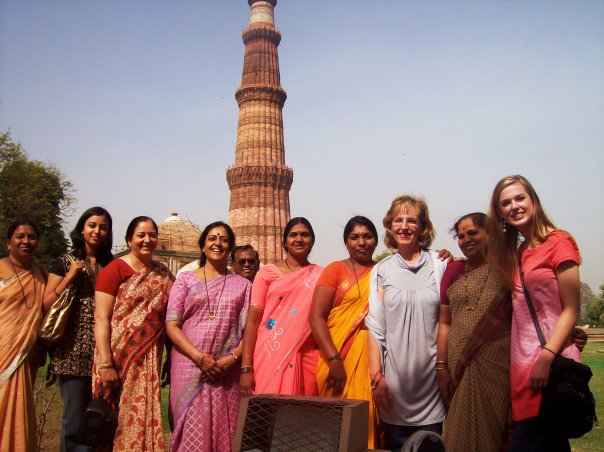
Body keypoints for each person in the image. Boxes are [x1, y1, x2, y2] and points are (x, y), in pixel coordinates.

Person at [487, 175, 581, 452]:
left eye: (520, 198)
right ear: (499, 213)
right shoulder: (519, 252)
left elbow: (571, 309)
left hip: (548, 366)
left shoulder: (558, 242)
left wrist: (546, 357)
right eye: (506, 203)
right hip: (523, 371)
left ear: (533, 200)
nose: (514, 206)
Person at [365, 195, 449, 451]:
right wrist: (376, 378)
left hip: (432, 384)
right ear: (390, 227)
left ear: (422, 227)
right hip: (395, 388)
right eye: (398, 220)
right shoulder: (381, 271)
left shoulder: (440, 264)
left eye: (411, 220)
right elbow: (375, 328)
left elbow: (450, 320)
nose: (404, 226)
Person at [166, 221, 251, 451]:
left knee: (226, 430)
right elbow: (172, 324)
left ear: (230, 247)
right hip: (189, 365)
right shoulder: (185, 280)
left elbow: (249, 332)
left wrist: (232, 359)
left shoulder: (243, 285)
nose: (217, 243)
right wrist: (199, 357)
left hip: (227, 371)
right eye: (212, 238)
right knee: (191, 430)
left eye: (224, 239)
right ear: (203, 245)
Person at [93, 216, 174, 451]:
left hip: (148, 360)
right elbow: (101, 318)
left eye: (152, 235)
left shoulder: (163, 274)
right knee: (113, 419)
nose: (147, 240)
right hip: (116, 357)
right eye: (141, 235)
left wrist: (170, 358)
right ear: (129, 240)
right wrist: (106, 364)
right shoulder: (114, 270)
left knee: (141, 416)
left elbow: (172, 316)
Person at [436, 212, 512, 451]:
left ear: (490, 234)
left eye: (472, 233)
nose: (466, 239)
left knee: (495, 432)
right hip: (459, 363)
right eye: (460, 236)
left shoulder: (507, 268)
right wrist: (441, 366)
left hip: (498, 364)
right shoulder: (453, 270)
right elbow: (445, 322)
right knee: (458, 432)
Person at [42, 207, 113, 452]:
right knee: (73, 420)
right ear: (82, 229)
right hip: (70, 351)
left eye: (103, 227)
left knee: (98, 418)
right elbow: (47, 303)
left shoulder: (111, 265)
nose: (97, 231)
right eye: (92, 225)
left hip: (102, 351)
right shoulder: (65, 262)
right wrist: (69, 277)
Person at [309, 215, 382, 449]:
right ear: (346, 242)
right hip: (336, 357)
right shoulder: (335, 269)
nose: (361, 242)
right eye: (354, 237)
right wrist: (334, 359)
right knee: (333, 427)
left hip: (372, 356)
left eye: (367, 236)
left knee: (367, 421)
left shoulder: (382, 271)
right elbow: (316, 317)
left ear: (376, 240)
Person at [240, 217, 322, 396]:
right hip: (270, 353)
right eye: (293, 235)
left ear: (312, 240)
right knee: (269, 408)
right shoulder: (266, 274)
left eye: (305, 235)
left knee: (305, 409)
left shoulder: (320, 275)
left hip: (307, 354)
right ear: (285, 242)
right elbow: (253, 322)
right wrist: (246, 367)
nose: (299, 239)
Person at [0, 220, 47, 451]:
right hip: (2, 350)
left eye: (31, 236)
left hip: (24, 355)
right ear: (9, 243)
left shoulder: (41, 276)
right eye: (20, 236)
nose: (26, 241)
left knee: (18, 409)